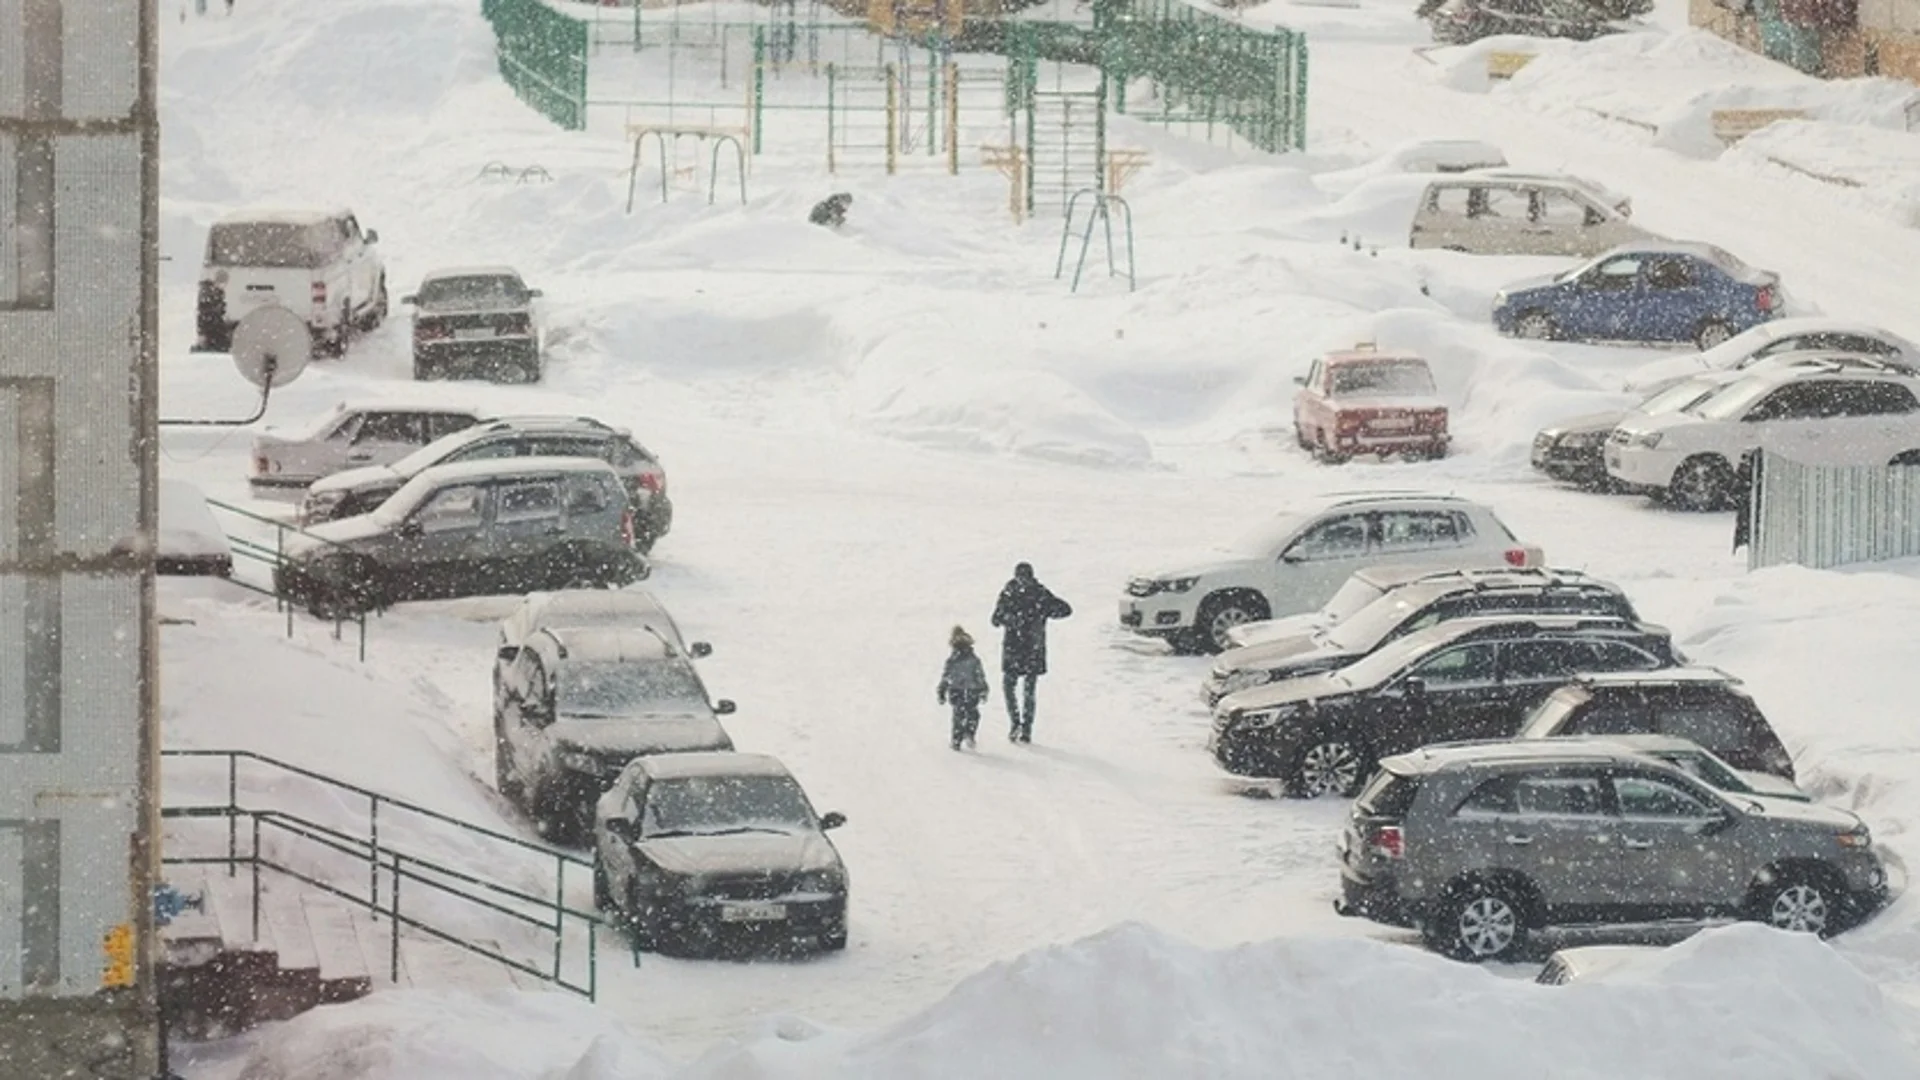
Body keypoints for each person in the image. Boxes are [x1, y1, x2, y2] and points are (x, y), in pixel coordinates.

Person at [991, 562, 1072, 744]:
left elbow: (996, 619)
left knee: (1012, 688)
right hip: (1032, 648)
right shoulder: (1039, 593)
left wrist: (1012, 620)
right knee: (1027, 691)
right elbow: (1065, 609)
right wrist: (1041, 613)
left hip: (1015, 648)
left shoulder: (1011, 593)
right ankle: (1024, 727)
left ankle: (1017, 724)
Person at [935, 626, 988, 751]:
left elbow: (946, 677)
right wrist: (983, 688)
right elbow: (979, 675)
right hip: (970, 690)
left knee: (959, 714)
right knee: (972, 714)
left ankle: (957, 738)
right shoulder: (973, 660)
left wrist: (942, 689)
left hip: (957, 690)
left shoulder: (953, 661)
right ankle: (967, 734)